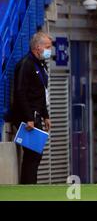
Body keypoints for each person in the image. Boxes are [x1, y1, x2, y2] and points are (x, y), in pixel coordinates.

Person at [12, 32, 52, 184]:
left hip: (36, 115)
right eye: (48, 47)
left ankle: (30, 185)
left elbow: (41, 92)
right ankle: (28, 186)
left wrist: (46, 115)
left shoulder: (40, 64)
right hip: (27, 117)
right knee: (32, 154)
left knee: (36, 154)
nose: (50, 50)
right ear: (38, 47)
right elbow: (20, 92)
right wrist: (29, 117)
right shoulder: (26, 64)